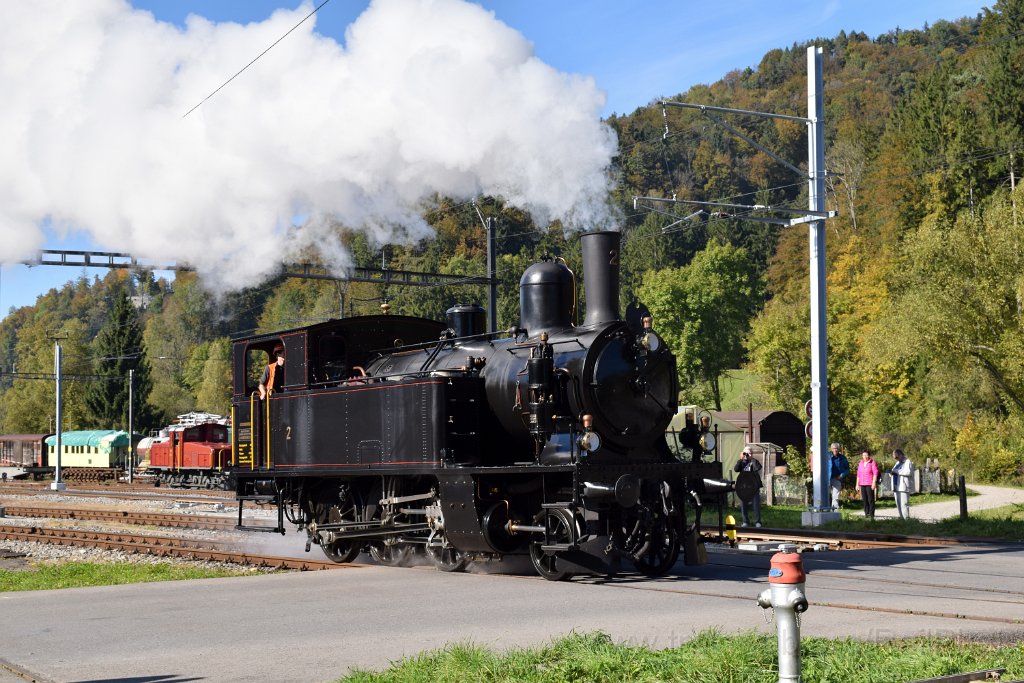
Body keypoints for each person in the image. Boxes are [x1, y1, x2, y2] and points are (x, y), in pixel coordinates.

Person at [733, 447, 762, 527]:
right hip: (744, 487)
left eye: (750, 453)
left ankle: (757, 522)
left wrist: (751, 459)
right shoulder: (741, 462)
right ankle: (745, 522)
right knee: (743, 505)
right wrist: (741, 459)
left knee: (756, 505)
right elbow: (736, 469)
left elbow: (758, 468)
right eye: (746, 453)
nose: (748, 455)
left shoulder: (754, 461)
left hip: (754, 487)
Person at [891, 448, 914, 519]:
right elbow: (894, 470)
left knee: (904, 504)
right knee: (898, 504)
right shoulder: (898, 463)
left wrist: (896, 471)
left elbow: (908, 472)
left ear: (901, 455)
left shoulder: (908, 462)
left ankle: (906, 520)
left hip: (903, 487)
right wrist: (892, 472)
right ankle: (901, 519)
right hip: (896, 486)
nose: (896, 459)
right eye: (895, 458)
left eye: (897, 457)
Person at [856, 449, 879, 519]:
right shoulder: (860, 463)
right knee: (865, 500)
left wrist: (874, 482)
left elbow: (875, 473)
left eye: (866, 455)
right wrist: (857, 484)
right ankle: (866, 514)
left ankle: (872, 515)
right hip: (862, 484)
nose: (865, 456)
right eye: (863, 455)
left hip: (869, 483)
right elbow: (858, 474)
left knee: (870, 500)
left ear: (869, 455)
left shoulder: (872, 463)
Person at [828, 442, 850, 512]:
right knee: (825, 495)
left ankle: (834, 511)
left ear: (839, 449)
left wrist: (842, 475)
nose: (835, 450)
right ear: (831, 449)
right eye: (834, 448)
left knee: (835, 496)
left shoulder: (843, 458)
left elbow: (847, 469)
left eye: (836, 448)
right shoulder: (827, 456)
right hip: (827, 478)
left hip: (837, 479)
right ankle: (825, 510)